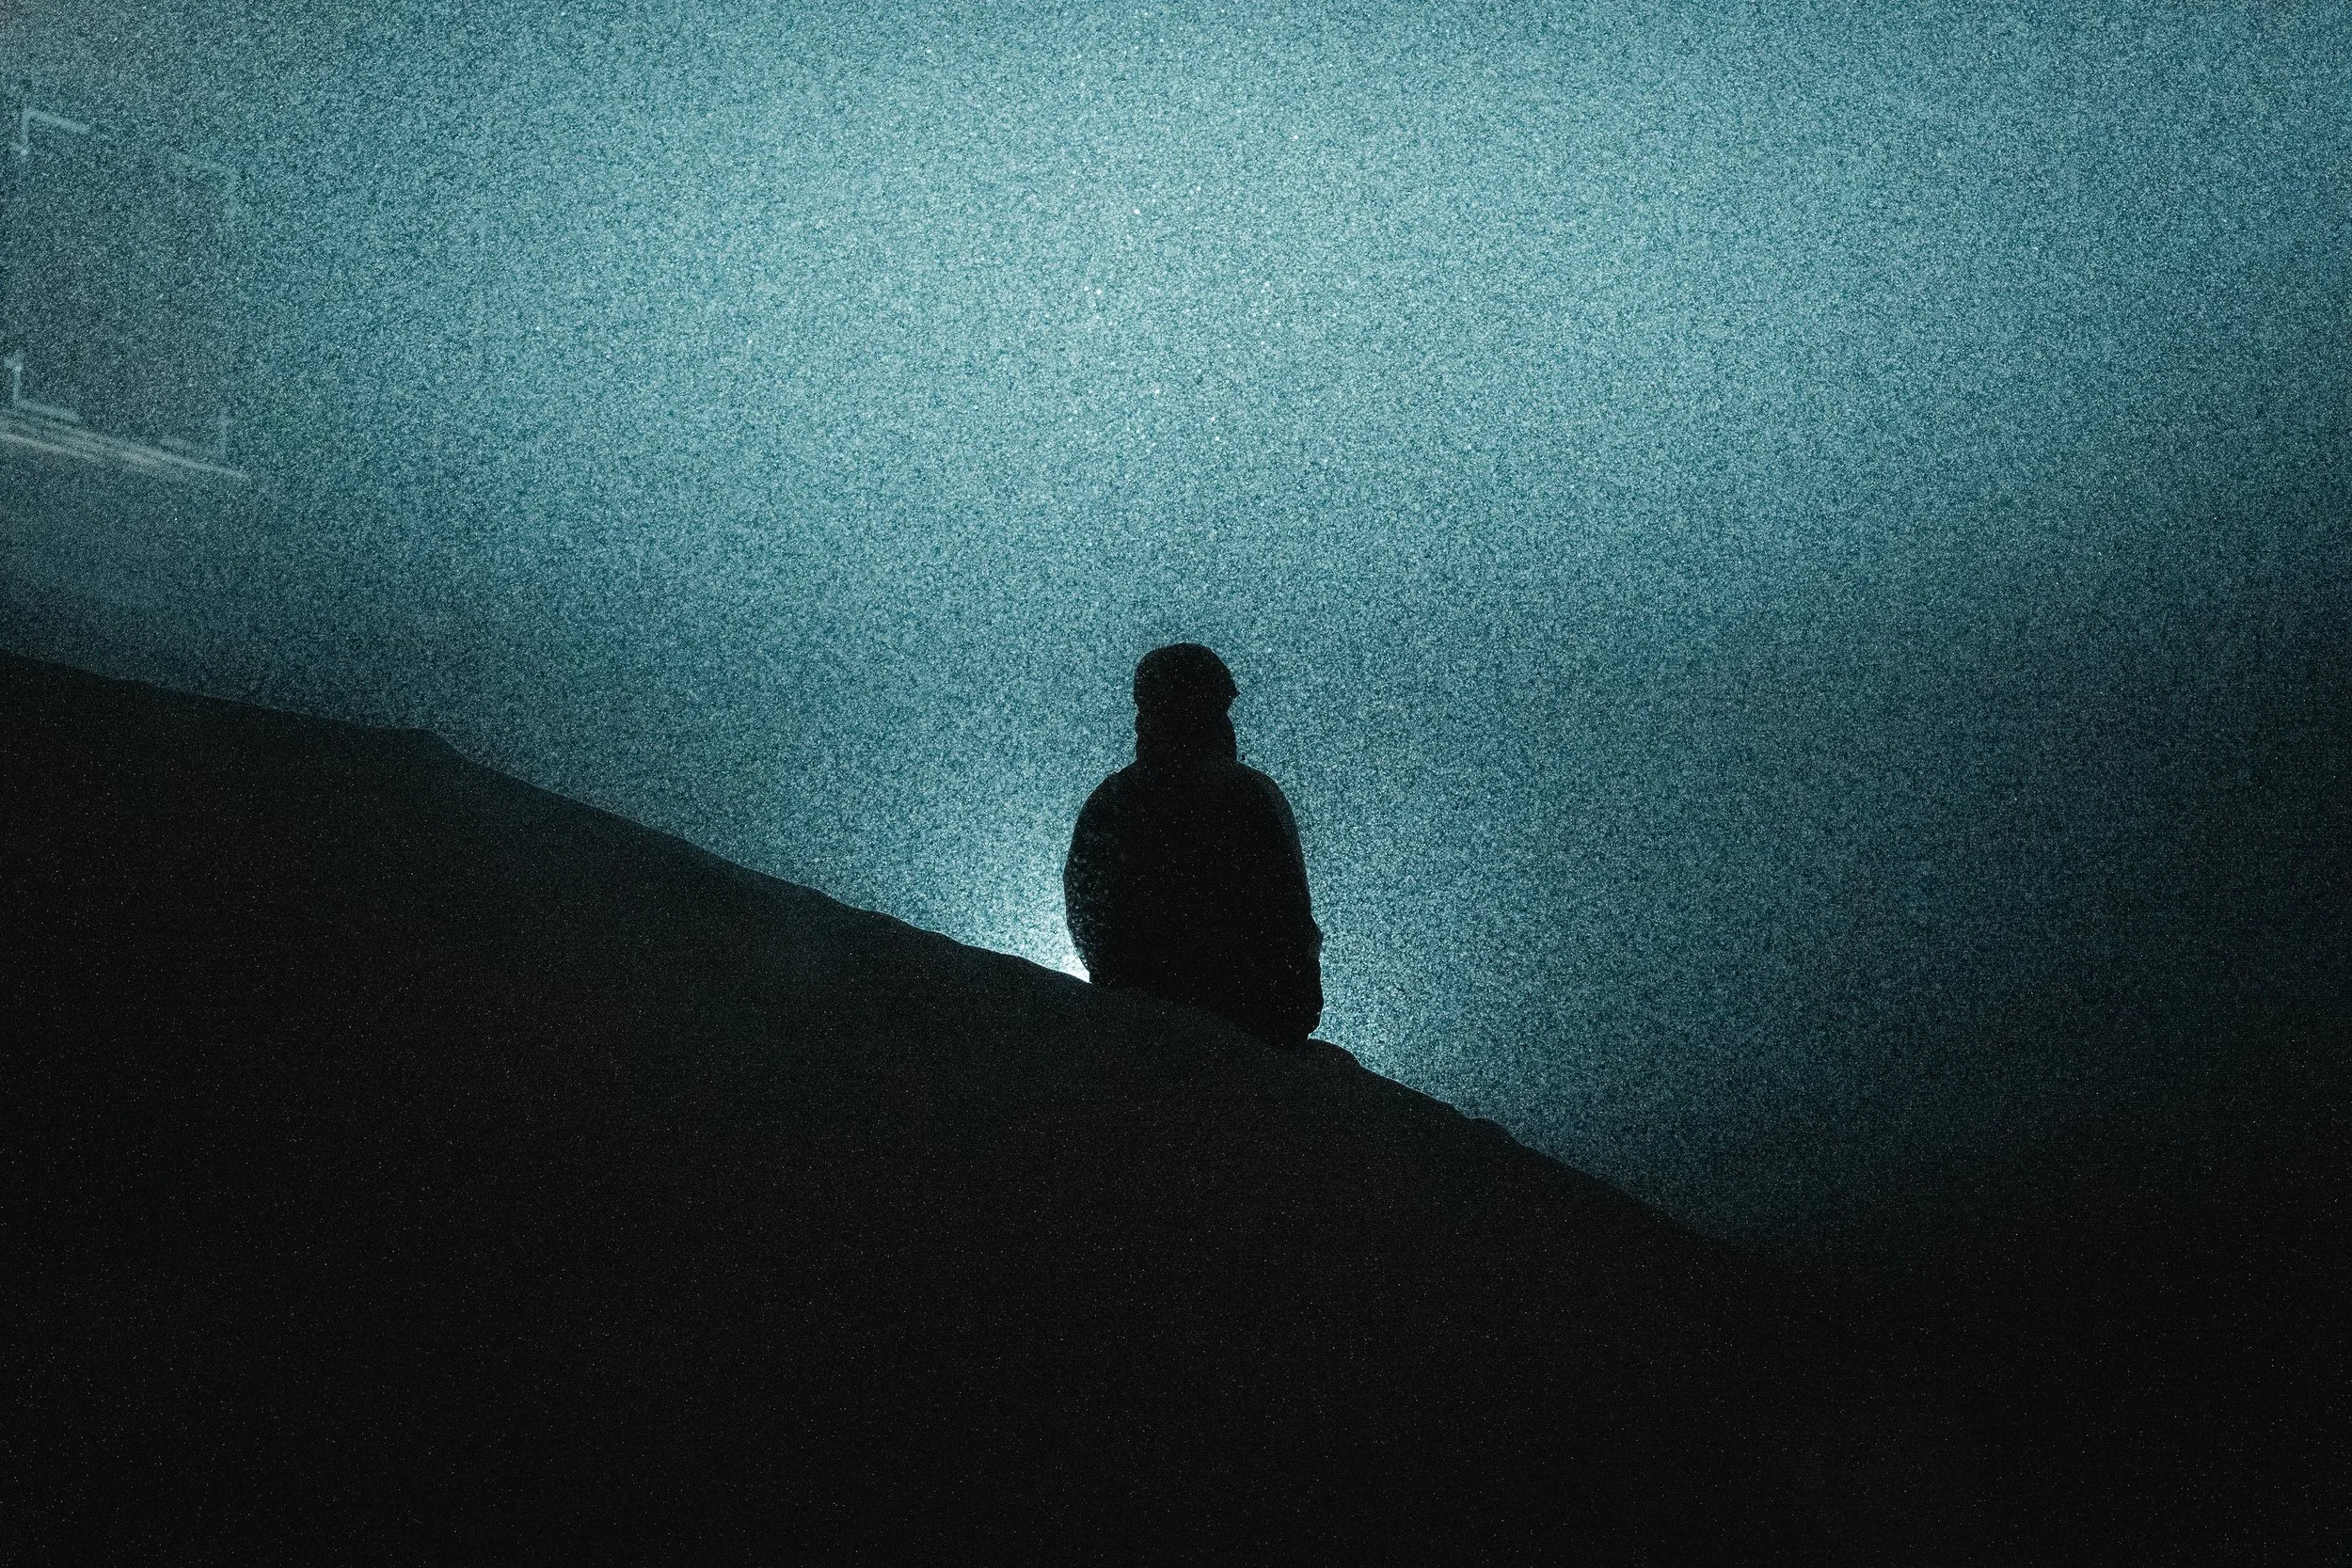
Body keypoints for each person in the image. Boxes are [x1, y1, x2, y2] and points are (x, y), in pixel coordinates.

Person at [1063, 643, 1323, 1046]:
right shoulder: (1248, 795)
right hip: (1239, 1029)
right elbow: (1289, 915)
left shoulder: (1114, 800)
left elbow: (1089, 920)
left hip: (1153, 1028)